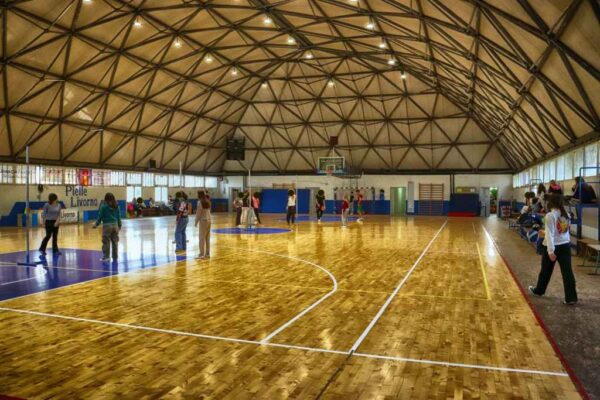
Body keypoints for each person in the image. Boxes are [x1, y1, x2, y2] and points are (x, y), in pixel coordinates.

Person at [529, 195, 577, 305]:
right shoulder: (567, 214)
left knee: (545, 271)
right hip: (565, 245)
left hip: (553, 246)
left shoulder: (550, 215)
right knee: (568, 272)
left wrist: (550, 251)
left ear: (551, 203)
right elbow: (563, 231)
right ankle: (571, 298)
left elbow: (550, 235)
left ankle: (539, 291)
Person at [93, 193, 121, 262]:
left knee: (106, 242)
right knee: (115, 242)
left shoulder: (104, 207)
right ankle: (115, 256)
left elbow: (100, 217)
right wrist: (119, 225)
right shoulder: (116, 206)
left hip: (107, 226)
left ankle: (106, 257)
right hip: (115, 225)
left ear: (105, 199)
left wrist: (96, 224)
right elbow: (118, 216)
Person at [195, 190, 211, 259]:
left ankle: (201, 254)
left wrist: (196, 222)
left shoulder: (200, 202)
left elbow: (198, 213)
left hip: (203, 221)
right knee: (207, 238)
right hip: (209, 220)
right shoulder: (207, 201)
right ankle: (207, 254)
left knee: (201, 238)